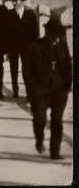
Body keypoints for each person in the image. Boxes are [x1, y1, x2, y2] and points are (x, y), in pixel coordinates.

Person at [24, 16, 72, 160]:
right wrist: (31, 89)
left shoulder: (63, 47)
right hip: (40, 92)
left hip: (58, 91)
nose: (58, 38)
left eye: (60, 35)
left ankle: (54, 152)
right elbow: (27, 70)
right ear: (48, 33)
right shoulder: (35, 46)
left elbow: (68, 68)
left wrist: (66, 87)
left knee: (57, 120)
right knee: (40, 119)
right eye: (56, 35)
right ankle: (39, 140)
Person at [5, 0, 39, 99]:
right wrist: (6, 50)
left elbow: (35, 32)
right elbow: (5, 33)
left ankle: (29, 93)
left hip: (27, 48)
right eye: (13, 1)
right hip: (13, 47)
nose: (15, 3)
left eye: (17, 1)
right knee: (13, 70)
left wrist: (33, 48)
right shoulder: (9, 14)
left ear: (22, 2)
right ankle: (15, 91)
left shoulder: (31, 14)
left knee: (27, 70)